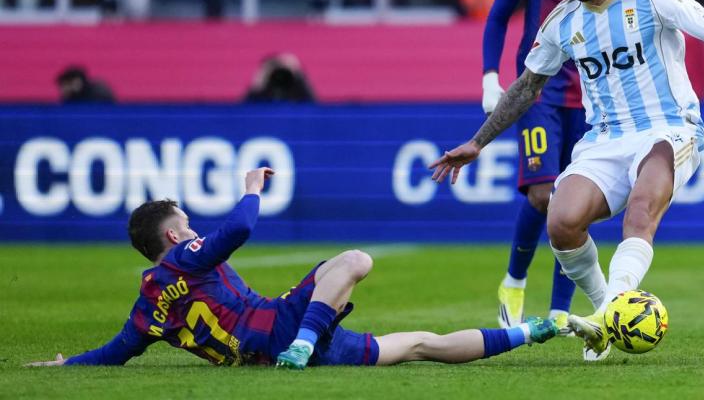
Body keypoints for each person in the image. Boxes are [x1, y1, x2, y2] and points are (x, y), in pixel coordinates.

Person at [435, 0, 704, 361]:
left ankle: (607, 319)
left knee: (641, 209)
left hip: (670, 128)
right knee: (561, 222)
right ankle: (606, 313)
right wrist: (478, 142)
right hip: (605, 138)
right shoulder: (561, 22)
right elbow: (528, 87)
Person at [26, 168, 558, 370]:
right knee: (356, 261)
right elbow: (236, 231)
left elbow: (114, 354)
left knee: (417, 343)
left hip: (259, 351)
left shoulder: (148, 305)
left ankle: (525, 332)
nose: (192, 230)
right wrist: (251, 189)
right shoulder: (185, 259)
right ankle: (307, 341)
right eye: (186, 223)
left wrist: (65, 367)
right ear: (172, 235)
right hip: (280, 327)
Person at [480, 0, 639, 334]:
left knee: (574, 200)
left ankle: (558, 310)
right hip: (539, 91)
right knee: (542, 195)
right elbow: (497, 16)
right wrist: (491, 76)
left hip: (593, 92)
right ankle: (513, 279)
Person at [244, 53, 316, 103]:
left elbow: (313, 107)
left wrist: (298, 73)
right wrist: (257, 84)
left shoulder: (297, 89)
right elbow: (244, 111)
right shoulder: (262, 91)